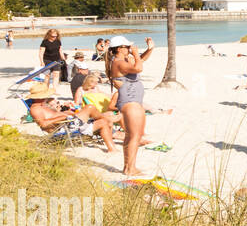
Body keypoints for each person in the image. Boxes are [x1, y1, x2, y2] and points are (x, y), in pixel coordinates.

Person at [106, 35, 155, 176]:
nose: (129, 48)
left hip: (133, 100)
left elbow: (141, 60)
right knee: (135, 136)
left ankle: (128, 167)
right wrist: (135, 54)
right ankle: (130, 168)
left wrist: (149, 49)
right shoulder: (118, 63)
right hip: (130, 101)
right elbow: (138, 68)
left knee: (131, 135)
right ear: (119, 49)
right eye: (127, 47)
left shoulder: (122, 61)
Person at [27, 82, 115, 152]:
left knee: (103, 122)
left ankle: (112, 149)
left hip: (68, 123)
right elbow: (43, 124)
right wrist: (64, 117)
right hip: (65, 127)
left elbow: (53, 116)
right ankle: (106, 117)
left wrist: (66, 111)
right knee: (90, 107)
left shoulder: (43, 105)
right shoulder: (36, 109)